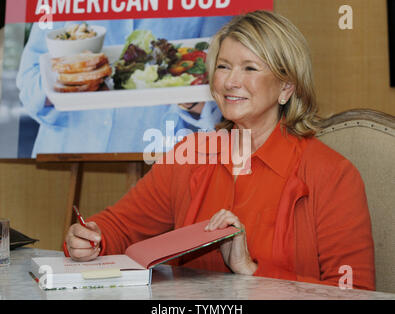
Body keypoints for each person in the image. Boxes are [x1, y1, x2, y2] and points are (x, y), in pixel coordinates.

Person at [64, 11, 375, 290]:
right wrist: (91, 239)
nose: (231, 81)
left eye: (250, 68)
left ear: (286, 88)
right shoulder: (189, 155)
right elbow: (120, 227)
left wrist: (249, 270)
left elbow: (353, 291)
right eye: (223, 67)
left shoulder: (331, 174)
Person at [16, 17, 231, 157]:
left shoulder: (203, 8)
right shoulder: (65, 4)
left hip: (153, 169)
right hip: (63, 159)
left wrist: (193, 100)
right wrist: (72, 75)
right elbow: (29, 82)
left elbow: (223, 104)